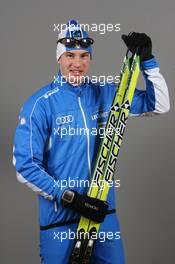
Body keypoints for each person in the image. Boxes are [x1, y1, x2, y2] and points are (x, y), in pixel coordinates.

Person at [12, 19, 170, 264]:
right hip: (61, 220)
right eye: (70, 55)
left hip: (103, 216)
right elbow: (25, 167)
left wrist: (148, 62)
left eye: (84, 56)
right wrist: (71, 198)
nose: (77, 63)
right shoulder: (40, 105)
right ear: (59, 58)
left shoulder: (107, 93)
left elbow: (158, 105)